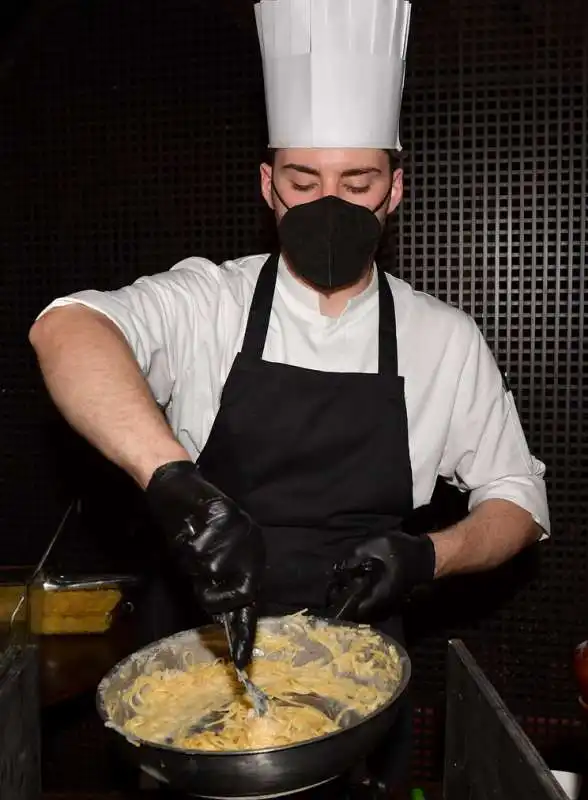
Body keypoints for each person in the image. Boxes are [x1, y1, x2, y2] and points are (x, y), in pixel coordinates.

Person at [28, 0, 549, 794]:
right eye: (304, 181)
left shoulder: (443, 337)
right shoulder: (210, 300)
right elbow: (67, 330)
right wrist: (173, 480)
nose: (330, 206)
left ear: (395, 190)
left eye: (358, 181)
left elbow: (519, 499)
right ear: (268, 187)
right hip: (195, 662)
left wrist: (427, 554)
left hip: (363, 677)